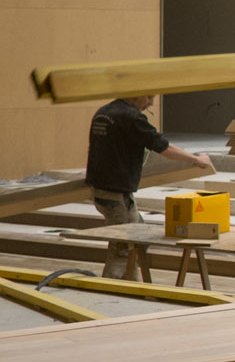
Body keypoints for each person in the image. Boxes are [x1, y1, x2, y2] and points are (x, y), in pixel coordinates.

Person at [85, 95, 214, 279]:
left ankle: (135, 283)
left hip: (101, 191)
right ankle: (111, 289)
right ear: (135, 93)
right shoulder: (131, 117)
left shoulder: (104, 113)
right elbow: (163, 147)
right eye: (148, 97)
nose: (151, 103)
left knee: (137, 239)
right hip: (116, 195)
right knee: (122, 246)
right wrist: (196, 159)